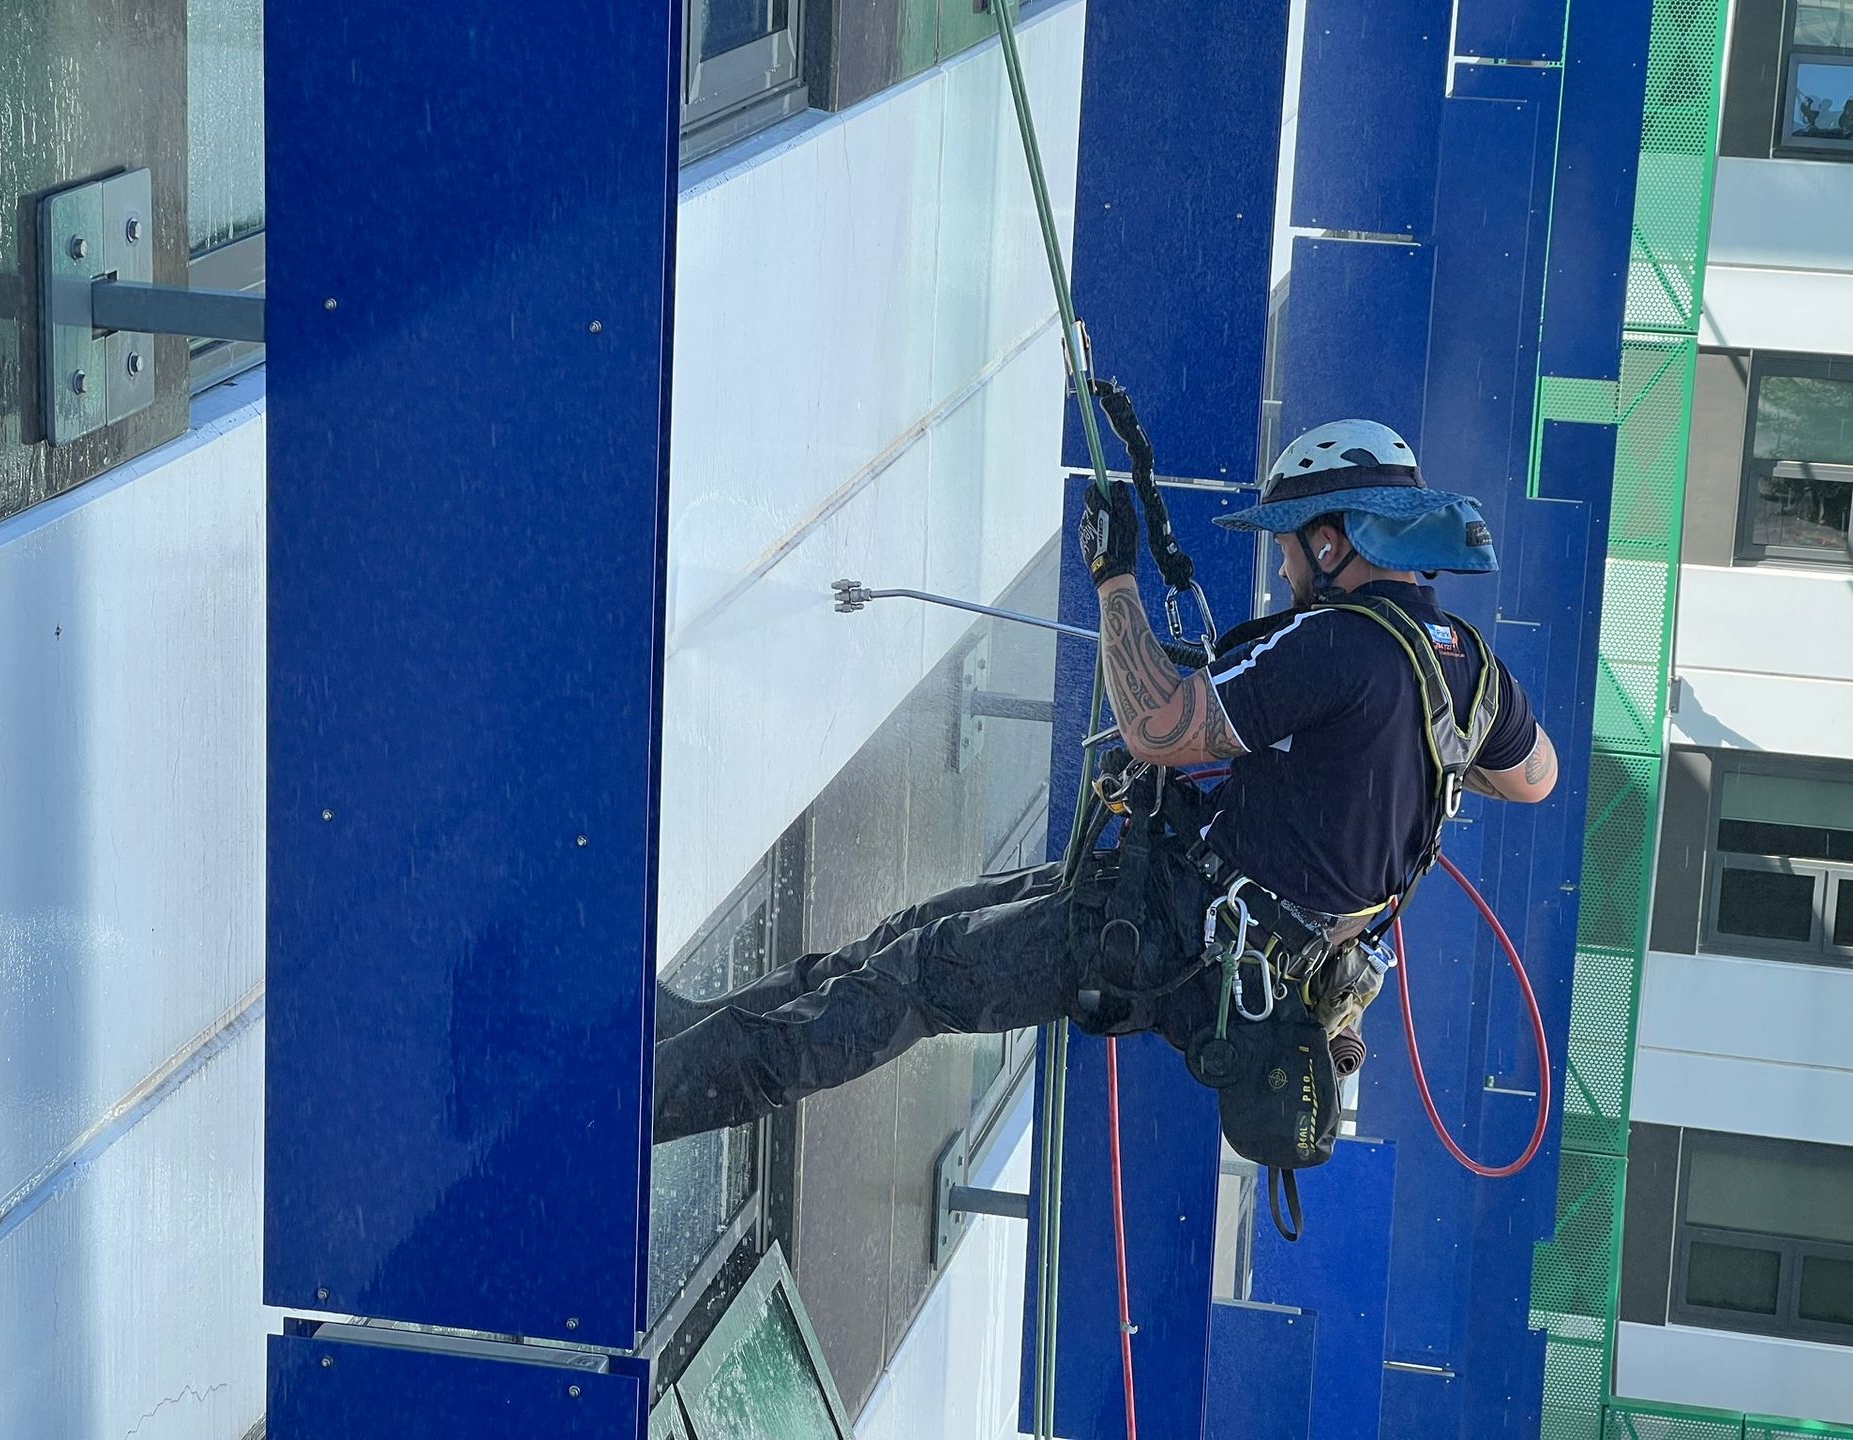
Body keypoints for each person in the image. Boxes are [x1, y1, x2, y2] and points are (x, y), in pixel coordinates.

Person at [650, 415, 1558, 1151]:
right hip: (1206, 932)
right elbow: (1535, 779)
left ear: (1333, 542)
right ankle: (684, 1042)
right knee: (915, 935)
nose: (1282, 568)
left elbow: (1158, 727)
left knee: (911, 982)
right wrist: (1388, 749)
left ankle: (652, 1104)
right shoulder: (1472, 671)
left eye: (1289, 545)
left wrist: (1113, 576)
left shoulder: (1339, 644)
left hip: (1174, 934)